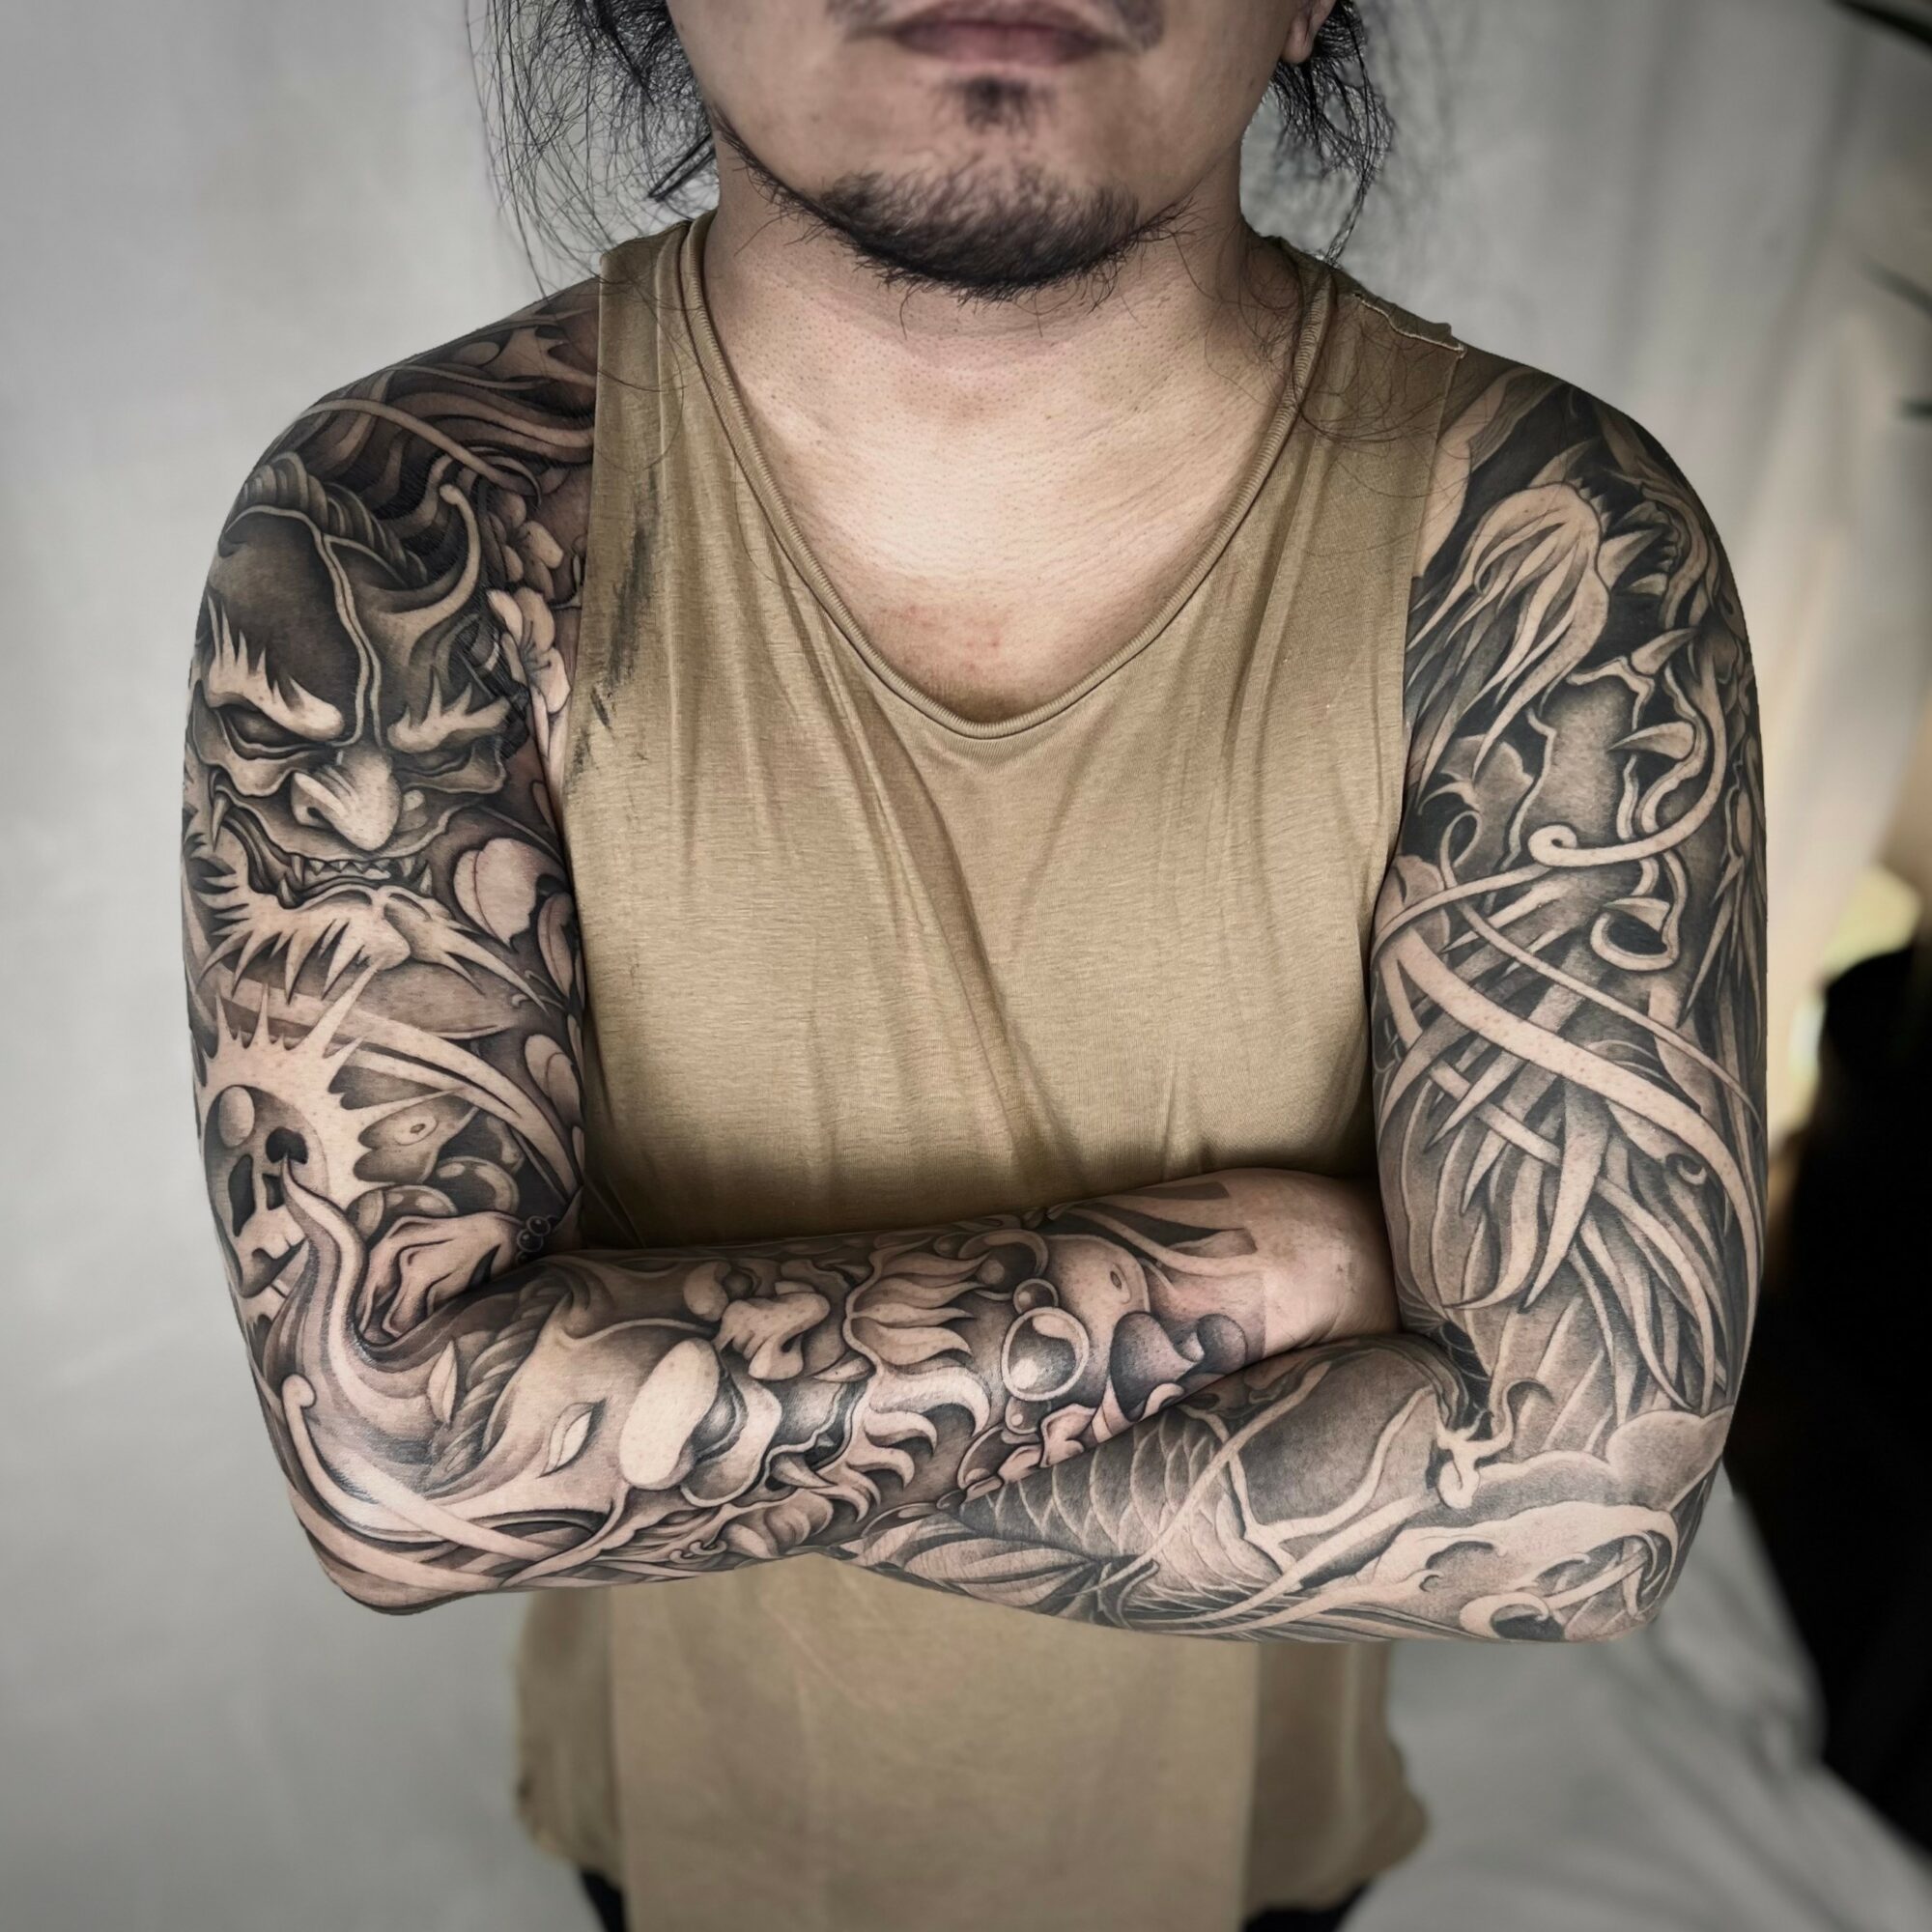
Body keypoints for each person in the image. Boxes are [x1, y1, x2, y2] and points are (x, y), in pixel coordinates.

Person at [178, 4, 1767, 1929]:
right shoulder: (395, 532)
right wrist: (1258, 1278)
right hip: (678, 1835)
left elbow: (1577, 1516)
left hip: (1245, 1861)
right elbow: (398, 1463)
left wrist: (587, 1445)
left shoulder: (1550, 553)